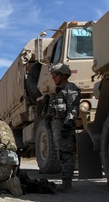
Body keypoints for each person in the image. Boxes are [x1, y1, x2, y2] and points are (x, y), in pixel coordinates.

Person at [47, 63, 80, 192]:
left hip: (64, 128)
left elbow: (73, 109)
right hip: (57, 128)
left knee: (66, 154)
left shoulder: (70, 89)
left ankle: (67, 184)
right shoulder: (58, 91)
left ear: (63, 75)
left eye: (55, 75)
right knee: (61, 154)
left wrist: (68, 124)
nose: (53, 78)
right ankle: (65, 182)